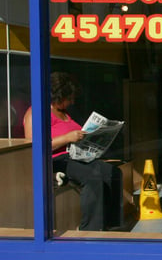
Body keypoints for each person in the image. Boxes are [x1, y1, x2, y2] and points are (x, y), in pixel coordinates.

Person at [23, 71, 121, 231]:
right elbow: (33, 147)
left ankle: (111, 224)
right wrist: (67, 138)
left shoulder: (64, 113)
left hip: (74, 156)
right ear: (58, 97)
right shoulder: (36, 113)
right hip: (55, 160)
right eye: (69, 98)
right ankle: (91, 230)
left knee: (112, 172)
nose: (72, 102)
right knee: (93, 177)